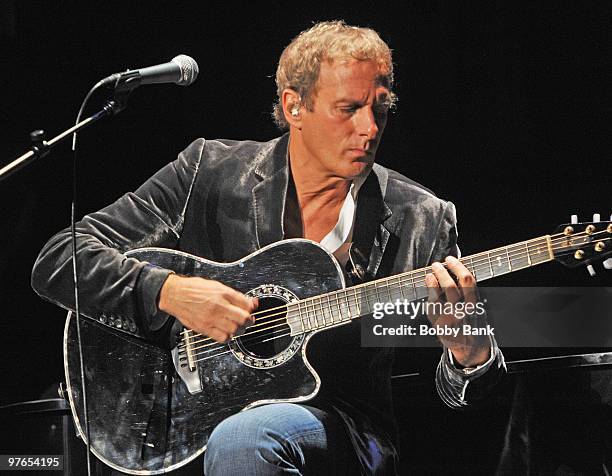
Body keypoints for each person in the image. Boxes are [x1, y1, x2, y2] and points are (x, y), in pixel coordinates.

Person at [31, 21, 506, 475]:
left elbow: (455, 401)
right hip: (184, 414)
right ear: (294, 106)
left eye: (380, 109)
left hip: (339, 428)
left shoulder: (419, 217)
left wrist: (470, 353)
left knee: (247, 438)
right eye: (348, 108)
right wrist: (171, 293)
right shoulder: (208, 171)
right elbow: (58, 259)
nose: (370, 128)